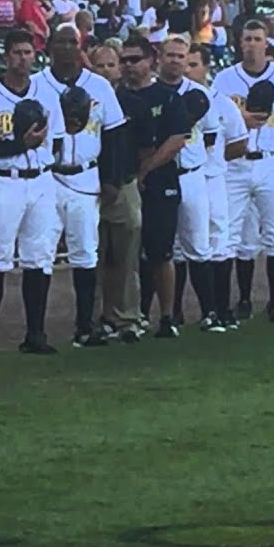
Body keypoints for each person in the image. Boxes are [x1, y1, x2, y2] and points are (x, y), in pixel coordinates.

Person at [0, 29, 66, 357]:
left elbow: (60, 137)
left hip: (40, 179)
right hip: (4, 180)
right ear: (6, 56)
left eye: (28, 52)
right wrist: (19, 144)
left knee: (38, 258)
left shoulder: (47, 92)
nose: (23, 58)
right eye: (17, 53)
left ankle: (35, 334)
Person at [32, 25, 125, 347]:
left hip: (86, 175)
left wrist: (111, 179)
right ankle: (36, 332)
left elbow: (114, 135)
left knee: (85, 252)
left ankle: (84, 326)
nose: (68, 47)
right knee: (41, 253)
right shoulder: (35, 85)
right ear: (50, 46)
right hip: (46, 176)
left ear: (81, 46)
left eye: (74, 42)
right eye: (62, 42)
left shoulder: (98, 85)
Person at [213, 20, 274, 324]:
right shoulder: (225, 79)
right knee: (230, 236)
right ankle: (234, 302)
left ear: (267, 44)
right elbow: (213, 118)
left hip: (272, 161)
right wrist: (239, 118)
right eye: (247, 38)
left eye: (258, 38)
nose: (252, 44)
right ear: (239, 43)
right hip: (235, 164)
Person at [122, 35, 188, 338]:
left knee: (161, 253)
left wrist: (145, 170)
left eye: (134, 60)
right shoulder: (115, 96)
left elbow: (176, 141)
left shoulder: (168, 96)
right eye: (124, 60)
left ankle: (166, 315)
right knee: (125, 256)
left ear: (151, 60)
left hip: (161, 182)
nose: (128, 66)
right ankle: (129, 316)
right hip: (122, 184)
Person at [157, 35, 222, 331]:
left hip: (192, 173)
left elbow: (210, 136)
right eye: (169, 55)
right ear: (160, 57)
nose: (175, 60)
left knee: (198, 245)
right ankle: (172, 313)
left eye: (180, 56)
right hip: (162, 174)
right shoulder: (153, 92)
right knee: (165, 247)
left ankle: (209, 312)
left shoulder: (198, 93)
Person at [184, 42, 248, 330]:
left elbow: (238, 142)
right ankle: (175, 312)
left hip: (213, 177)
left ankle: (221, 308)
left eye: (194, 64)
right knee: (182, 244)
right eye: (185, 63)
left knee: (219, 240)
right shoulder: (175, 97)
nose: (188, 69)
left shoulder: (221, 102)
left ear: (207, 67)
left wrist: (217, 160)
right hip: (183, 176)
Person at [91, 42, 150, 343]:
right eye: (99, 65)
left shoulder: (133, 102)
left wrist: (135, 176)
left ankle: (127, 318)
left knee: (126, 257)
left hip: (125, 184)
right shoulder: (82, 98)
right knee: (92, 256)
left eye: (110, 65)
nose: (105, 70)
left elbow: (145, 147)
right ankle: (92, 320)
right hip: (88, 185)